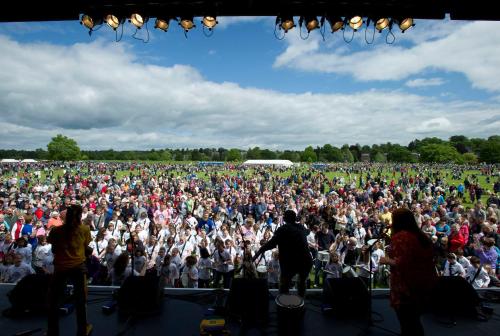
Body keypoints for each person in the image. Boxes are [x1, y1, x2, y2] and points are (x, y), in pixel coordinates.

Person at [380, 208, 437, 336]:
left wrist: (387, 260)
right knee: (414, 322)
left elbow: (402, 263)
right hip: (423, 283)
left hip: (407, 287)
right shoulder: (419, 235)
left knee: (407, 322)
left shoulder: (402, 237)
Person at [47, 204, 92, 336]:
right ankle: (82, 330)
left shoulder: (56, 231)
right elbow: (85, 247)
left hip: (60, 267)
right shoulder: (84, 229)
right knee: (80, 300)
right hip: (78, 266)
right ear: (79, 216)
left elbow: (54, 249)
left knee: (53, 301)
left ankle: (52, 332)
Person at [253, 209, 312, 297]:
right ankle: (301, 302)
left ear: (284, 218)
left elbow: (270, 244)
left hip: (290, 261)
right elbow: (307, 232)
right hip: (306, 260)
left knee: (284, 284)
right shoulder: (301, 227)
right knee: (302, 282)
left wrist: (256, 255)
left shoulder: (283, 229)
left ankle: (284, 306)